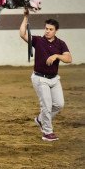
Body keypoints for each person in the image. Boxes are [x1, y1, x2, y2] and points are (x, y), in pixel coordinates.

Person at [19, 9, 72, 141]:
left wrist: (56, 56)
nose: (47, 31)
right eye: (46, 28)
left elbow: (69, 58)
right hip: (40, 78)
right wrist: (26, 18)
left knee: (59, 104)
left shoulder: (60, 44)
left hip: (54, 79)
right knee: (46, 106)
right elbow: (22, 34)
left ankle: (40, 119)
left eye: (50, 29)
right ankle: (47, 132)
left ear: (56, 31)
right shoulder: (38, 41)